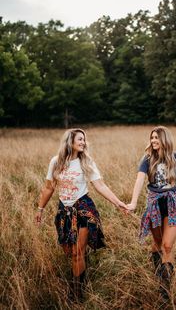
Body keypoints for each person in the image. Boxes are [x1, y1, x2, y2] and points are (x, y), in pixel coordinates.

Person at [35, 128, 128, 301]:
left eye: (84, 140)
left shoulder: (86, 162)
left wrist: (118, 203)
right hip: (64, 211)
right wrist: (40, 209)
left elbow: (100, 185)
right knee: (70, 252)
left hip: (84, 208)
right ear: (69, 141)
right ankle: (82, 270)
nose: (83, 142)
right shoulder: (56, 162)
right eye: (80, 139)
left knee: (78, 252)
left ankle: (76, 293)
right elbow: (49, 187)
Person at [127, 126, 176, 299]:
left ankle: (165, 288)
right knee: (157, 242)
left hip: (173, 204)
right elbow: (139, 180)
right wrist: (134, 202)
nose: (153, 141)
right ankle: (158, 271)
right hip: (154, 205)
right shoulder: (147, 158)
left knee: (167, 245)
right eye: (152, 138)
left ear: (164, 139)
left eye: (157, 138)